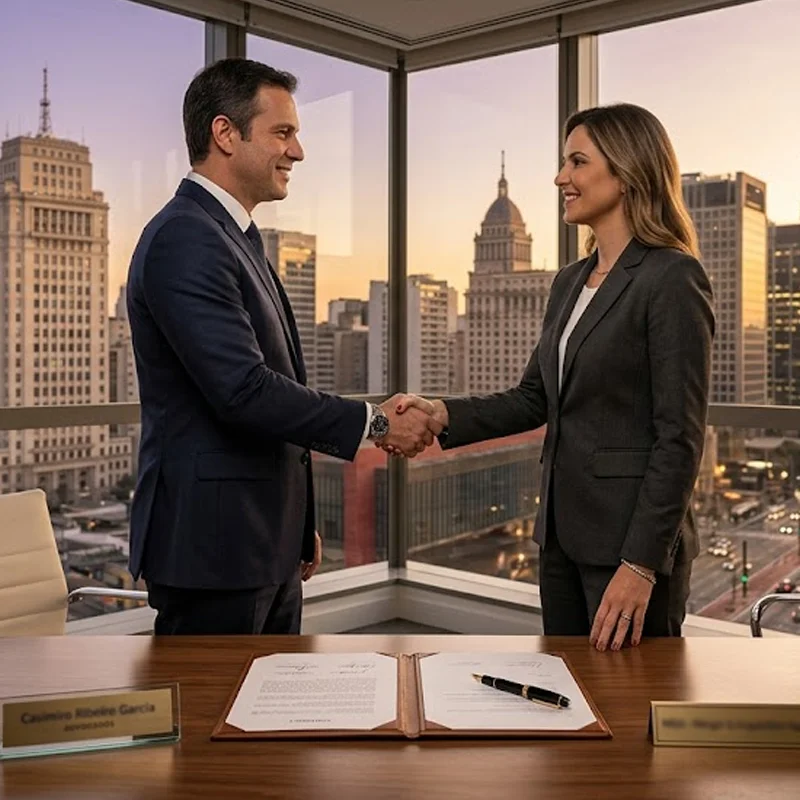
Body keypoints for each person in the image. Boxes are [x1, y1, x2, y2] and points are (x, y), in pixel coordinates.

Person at [127, 58, 440, 635]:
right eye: (283, 132)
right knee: (214, 721)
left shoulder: (235, 238)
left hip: (260, 545)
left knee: (266, 719)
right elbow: (244, 391)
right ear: (225, 134)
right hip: (214, 552)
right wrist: (374, 424)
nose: (297, 152)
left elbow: (281, 388)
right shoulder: (185, 238)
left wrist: (295, 526)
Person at [392, 103, 714, 651]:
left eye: (577, 161)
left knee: (628, 711)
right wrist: (443, 414)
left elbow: (679, 440)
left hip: (629, 551)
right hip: (561, 540)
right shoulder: (570, 281)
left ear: (628, 171)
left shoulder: (672, 277)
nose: (561, 177)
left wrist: (640, 564)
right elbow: (534, 398)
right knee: (567, 704)